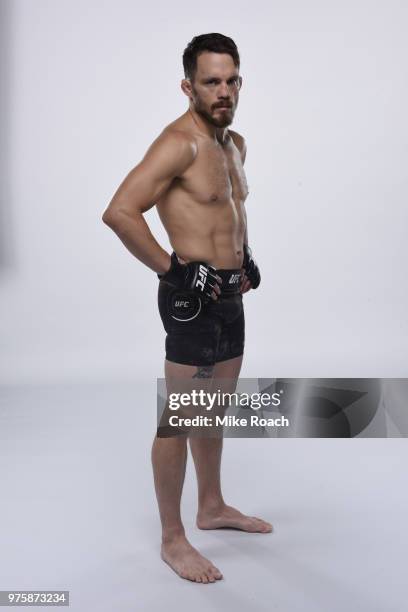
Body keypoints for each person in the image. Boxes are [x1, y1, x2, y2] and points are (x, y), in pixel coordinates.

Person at [102, 32, 272, 584]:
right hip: (189, 301)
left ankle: (213, 506)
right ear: (188, 86)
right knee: (179, 418)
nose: (223, 91)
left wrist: (244, 258)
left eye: (231, 80)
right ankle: (173, 539)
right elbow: (121, 211)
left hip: (229, 294)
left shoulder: (234, 143)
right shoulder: (179, 143)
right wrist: (175, 270)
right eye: (210, 82)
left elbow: (227, 213)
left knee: (213, 408)